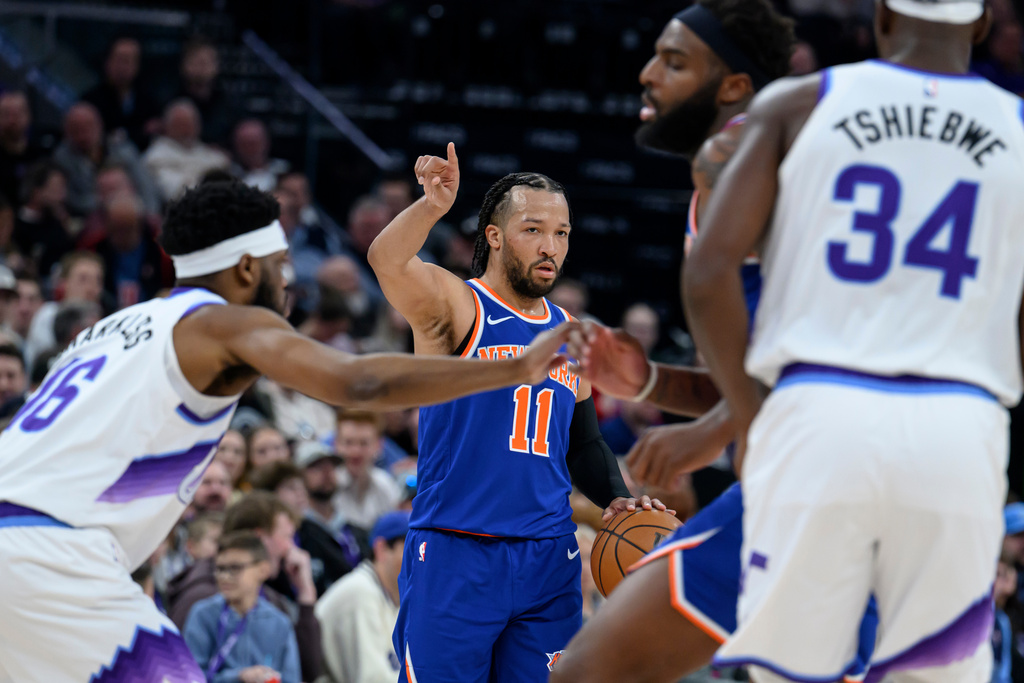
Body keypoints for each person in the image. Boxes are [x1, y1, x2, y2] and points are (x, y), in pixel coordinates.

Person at [0, 177, 576, 681]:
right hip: (52, 555)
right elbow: (357, 384)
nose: (288, 283)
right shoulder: (223, 322)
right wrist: (515, 368)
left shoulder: (113, 326)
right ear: (247, 268)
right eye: (280, 267)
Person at [683, 0, 1013, 679]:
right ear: (981, 25)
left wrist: (750, 417)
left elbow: (710, 270)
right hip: (959, 416)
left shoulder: (800, 104)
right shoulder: (1017, 127)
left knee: (788, 669)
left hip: (819, 408)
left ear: (882, 17)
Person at [554, 2, 877, 682]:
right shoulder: (747, 167)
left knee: (587, 671)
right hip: (818, 482)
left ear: (732, 83)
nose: (646, 75)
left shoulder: (736, 158)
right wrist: (647, 384)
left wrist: (707, 434)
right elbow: (755, 374)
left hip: (816, 478)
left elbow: (837, 333)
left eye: (673, 62)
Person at [369, 145, 665, 682]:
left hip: (548, 559)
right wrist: (430, 207)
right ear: (495, 236)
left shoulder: (570, 329)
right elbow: (387, 262)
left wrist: (619, 498)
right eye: (533, 229)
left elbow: (584, 444)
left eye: (562, 233)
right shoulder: (457, 305)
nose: (550, 246)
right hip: (458, 549)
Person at [184, 531, 301, 683]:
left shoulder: (278, 622)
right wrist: (238, 678)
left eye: (235, 568)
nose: (225, 576)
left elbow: (291, 678)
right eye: (220, 568)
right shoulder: (203, 615)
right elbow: (189, 677)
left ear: (263, 570)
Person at [315, 511, 409, 683]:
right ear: (381, 549)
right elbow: (372, 680)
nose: (419, 560)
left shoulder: (392, 595)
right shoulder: (360, 593)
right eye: (410, 549)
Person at [332, 410, 401, 531]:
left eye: (364, 443)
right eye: (348, 443)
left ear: (379, 446)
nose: (355, 452)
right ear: (336, 444)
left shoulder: (387, 485)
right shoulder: (328, 488)